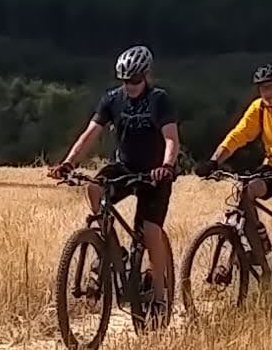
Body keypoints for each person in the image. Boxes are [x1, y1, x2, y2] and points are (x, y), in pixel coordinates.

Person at [49, 44, 179, 313]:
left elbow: (171, 138)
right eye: (125, 81)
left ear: (146, 76)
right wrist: (69, 163)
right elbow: (90, 134)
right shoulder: (112, 99)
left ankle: (159, 294)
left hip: (155, 172)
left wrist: (166, 165)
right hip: (125, 166)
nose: (130, 86)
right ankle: (112, 248)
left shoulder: (159, 100)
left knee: (150, 231)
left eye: (134, 80)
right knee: (94, 189)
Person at [198, 63, 272, 281]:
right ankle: (259, 245)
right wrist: (214, 161)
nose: (268, 93)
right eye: (264, 89)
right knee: (246, 191)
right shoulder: (259, 108)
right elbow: (238, 135)